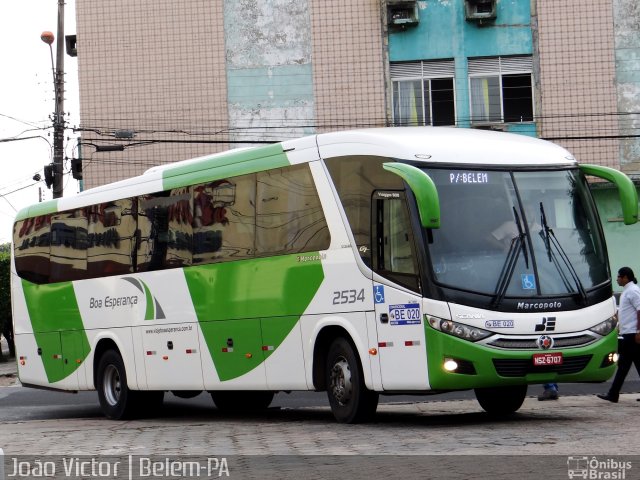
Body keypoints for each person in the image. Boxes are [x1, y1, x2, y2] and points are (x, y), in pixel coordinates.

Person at [597, 266, 640, 403]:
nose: (617, 279)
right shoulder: (627, 291)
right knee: (623, 366)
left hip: (633, 334)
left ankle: (613, 394)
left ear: (625, 277)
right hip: (628, 334)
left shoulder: (632, 291)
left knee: (626, 365)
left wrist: (639, 331)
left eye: (619, 276)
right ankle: (613, 394)